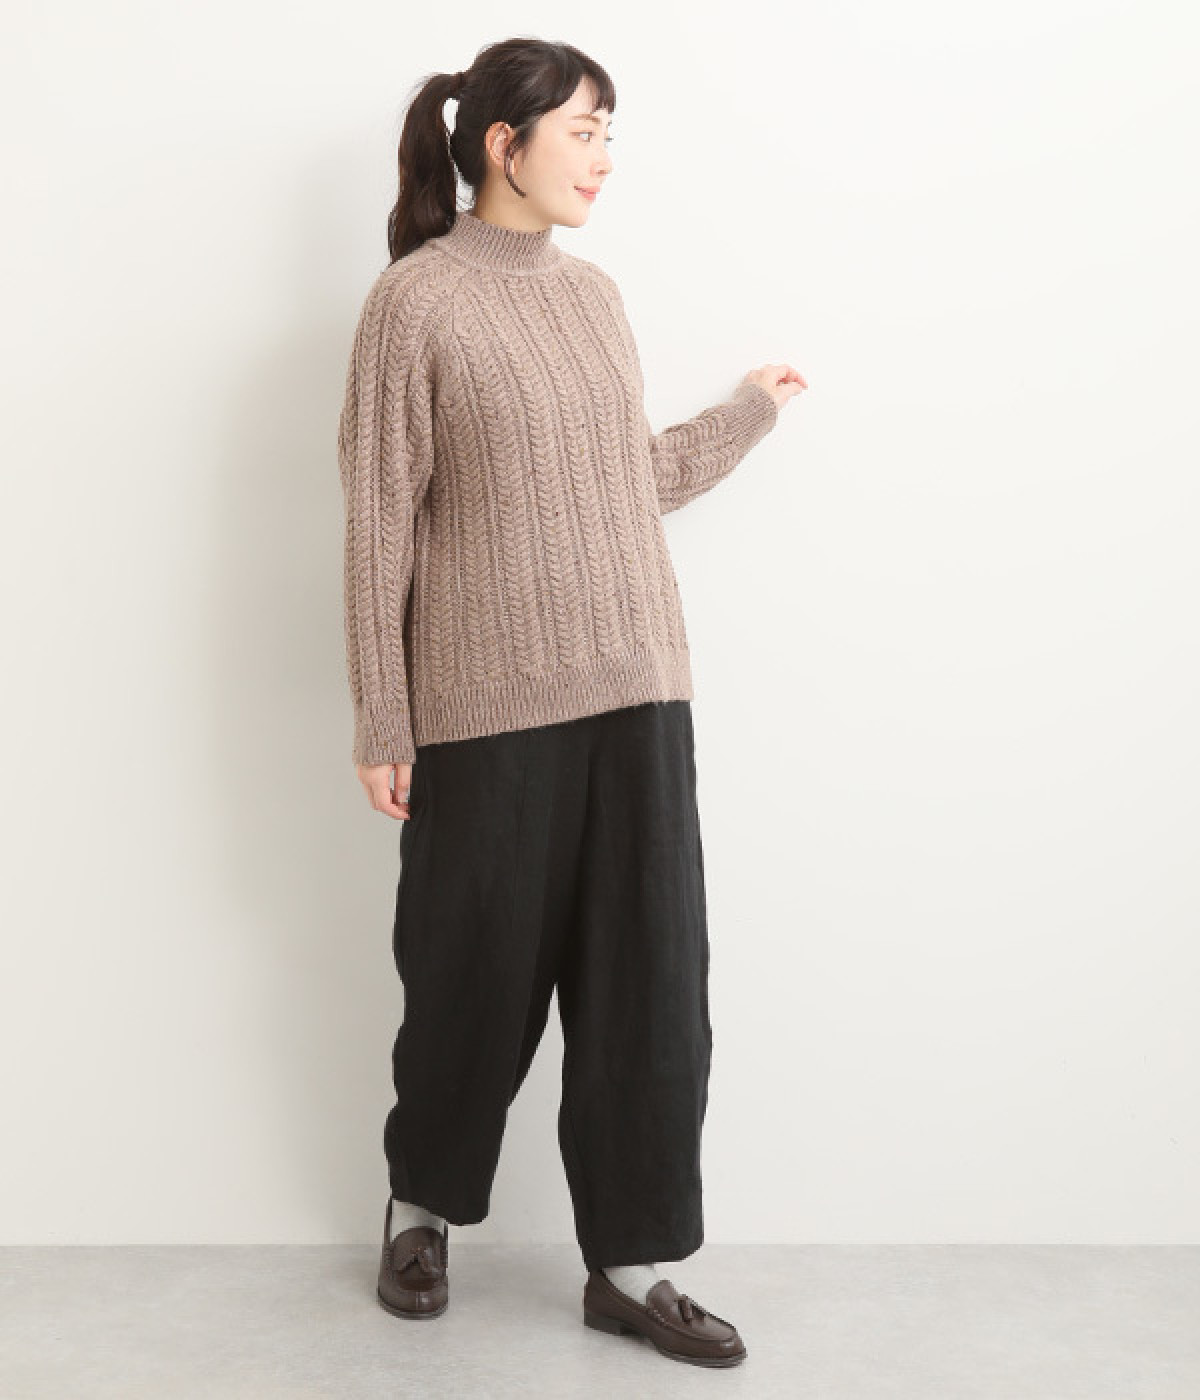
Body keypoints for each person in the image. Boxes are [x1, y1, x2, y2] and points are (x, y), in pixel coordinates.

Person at [337, 37, 806, 1367]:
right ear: (504, 143)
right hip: (485, 703)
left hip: (639, 683)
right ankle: (422, 1209)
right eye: (584, 131)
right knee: (469, 975)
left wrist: (747, 413)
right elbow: (379, 522)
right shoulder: (415, 305)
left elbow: (623, 479)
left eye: (610, 133)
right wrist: (383, 716)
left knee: (650, 987)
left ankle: (634, 1267)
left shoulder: (595, 299)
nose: (603, 158)